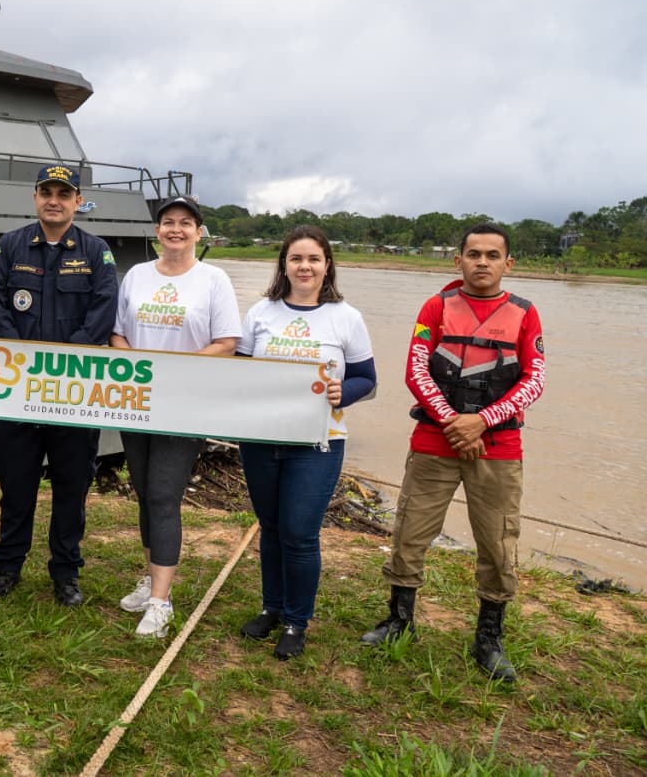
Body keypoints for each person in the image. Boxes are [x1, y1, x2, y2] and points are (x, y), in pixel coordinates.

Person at [360, 222, 544, 682]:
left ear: (509, 263)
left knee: (499, 542)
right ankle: (399, 620)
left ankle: (489, 637)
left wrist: (482, 420)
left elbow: (534, 379)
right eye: (474, 254)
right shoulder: (436, 307)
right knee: (410, 531)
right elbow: (416, 371)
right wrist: (452, 421)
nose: (482, 262)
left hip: (499, 447)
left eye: (492, 255)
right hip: (433, 443)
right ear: (457, 259)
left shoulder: (526, 313)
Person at [0, 164, 118, 606]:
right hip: (19, 388)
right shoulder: (11, 246)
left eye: (64, 192)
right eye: (47, 192)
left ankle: (65, 574)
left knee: (71, 486)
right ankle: (7, 568)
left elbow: (103, 310)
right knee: (15, 484)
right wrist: (22, 357)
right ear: (35, 198)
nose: (54, 200)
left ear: (78, 201)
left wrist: (63, 361)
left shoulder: (96, 252)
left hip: (74, 391)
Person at [237, 226, 376, 659]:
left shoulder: (345, 317)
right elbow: (237, 374)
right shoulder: (261, 312)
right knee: (272, 528)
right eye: (296, 258)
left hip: (319, 443)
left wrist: (343, 392)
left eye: (314, 259)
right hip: (261, 440)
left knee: (299, 533)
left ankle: (297, 622)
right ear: (284, 265)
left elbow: (367, 381)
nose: (305, 266)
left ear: (327, 265)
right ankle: (271, 607)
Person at [109, 196, 241, 636]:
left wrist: (173, 374)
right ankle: (150, 578)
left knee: (165, 496)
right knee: (145, 492)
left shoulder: (213, 280)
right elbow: (118, 334)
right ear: (157, 231)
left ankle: (161, 603)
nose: (176, 230)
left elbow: (225, 343)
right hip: (138, 401)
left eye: (186, 223)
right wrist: (141, 372)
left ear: (199, 232)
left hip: (184, 404)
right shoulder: (136, 277)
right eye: (168, 223)